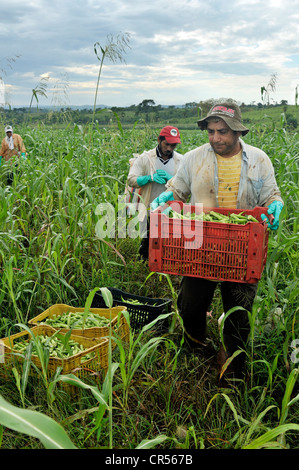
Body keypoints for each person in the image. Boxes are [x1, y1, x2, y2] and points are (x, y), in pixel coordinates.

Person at [151, 101, 283, 385]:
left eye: (222, 131)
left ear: (237, 132)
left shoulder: (259, 159)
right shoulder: (194, 158)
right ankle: (197, 345)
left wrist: (275, 205)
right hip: (202, 245)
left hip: (242, 247)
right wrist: (169, 198)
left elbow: (272, 194)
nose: (215, 138)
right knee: (190, 304)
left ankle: (233, 368)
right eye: (211, 131)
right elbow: (178, 191)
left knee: (239, 310)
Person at [127, 125, 183, 259]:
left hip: (170, 207)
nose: (169, 148)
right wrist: (149, 178)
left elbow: (186, 184)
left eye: (173, 145)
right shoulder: (145, 159)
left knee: (169, 240)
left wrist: (172, 180)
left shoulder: (181, 160)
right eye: (166, 144)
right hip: (149, 205)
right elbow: (131, 180)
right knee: (149, 240)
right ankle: (146, 263)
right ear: (159, 140)